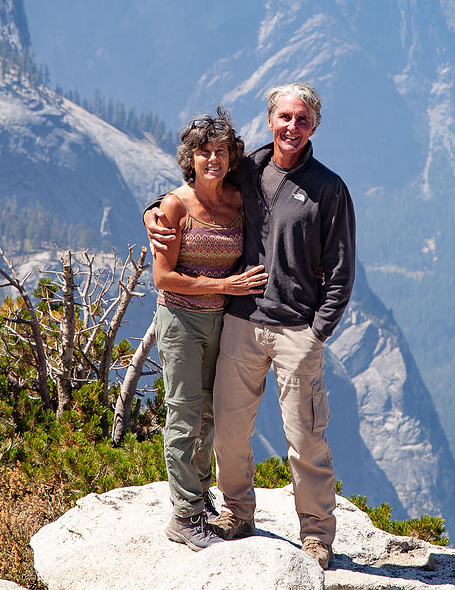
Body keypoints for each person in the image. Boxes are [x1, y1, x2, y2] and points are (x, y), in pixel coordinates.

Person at [147, 82, 355, 570]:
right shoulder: (250, 169)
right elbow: (197, 182)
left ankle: (317, 537)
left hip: (295, 331)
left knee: (305, 438)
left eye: (302, 120)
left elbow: (342, 269)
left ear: (315, 126)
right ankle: (237, 515)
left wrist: (317, 331)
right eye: (285, 117)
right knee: (229, 432)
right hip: (239, 323)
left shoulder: (329, 189)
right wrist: (153, 211)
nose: (292, 127)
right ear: (269, 120)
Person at [150, 108, 269, 551]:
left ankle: (200, 499)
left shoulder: (238, 200)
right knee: (183, 413)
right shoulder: (175, 205)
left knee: (209, 414)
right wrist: (225, 284)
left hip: (222, 321)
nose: (213, 159)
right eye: (204, 152)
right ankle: (184, 516)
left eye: (221, 151)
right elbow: (162, 278)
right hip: (181, 321)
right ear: (191, 158)